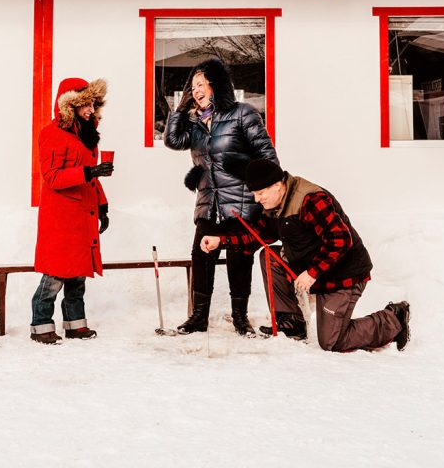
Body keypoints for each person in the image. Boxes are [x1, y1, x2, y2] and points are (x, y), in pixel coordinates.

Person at [203, 158, 411, 352]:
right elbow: (256, 236)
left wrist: (312, 273)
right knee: (269, 257)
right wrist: (220, 241)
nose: (257, 199)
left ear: (277, 184)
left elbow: (340, 240)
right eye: (254, 194)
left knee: (332, 341)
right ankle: (291, 323)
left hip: (343, 274)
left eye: (260, 193)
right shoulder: (275, 205)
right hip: (316, 269)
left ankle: (394, 319)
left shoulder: (310, 200)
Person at [164, 58, 278, 336]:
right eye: (193, 87)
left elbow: (267, 157)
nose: (197, 90)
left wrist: (261, 190)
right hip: (209, 201)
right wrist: (180, 109)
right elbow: (172, 141)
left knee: (240, 257)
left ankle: (240, 318)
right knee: (201, 255)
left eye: (202, 84)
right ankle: (198, 316)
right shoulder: (194, 122)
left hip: (240, 201)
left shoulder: (243, 114)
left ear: (217, 85)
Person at [30, 77, 114, 345]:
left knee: (78, 274)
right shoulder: (51, 134)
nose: (90, 109)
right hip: (61, 217)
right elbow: (52, 177)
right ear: (71, 105)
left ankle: (75, 324)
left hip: (83, 214)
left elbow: (91, 177)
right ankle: (41, 324)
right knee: (55, 274)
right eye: (85, 103)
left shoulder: (87, 135)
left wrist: (102, 205)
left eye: (93, 103)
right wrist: (90, 171)